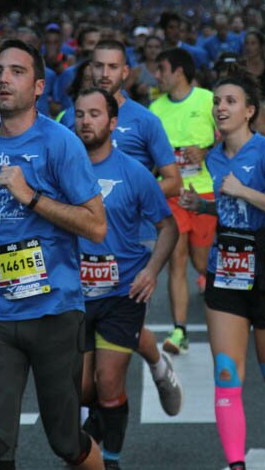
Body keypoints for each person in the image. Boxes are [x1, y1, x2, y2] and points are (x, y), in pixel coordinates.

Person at [0, 39, 106, 470]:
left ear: (39, 86)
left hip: (54, 311)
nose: (4, 78)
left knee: (65, 441)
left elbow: (96, 226)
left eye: (17, 71)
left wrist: (31, 196)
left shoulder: (61, 143)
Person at [178, 73, 265, 470]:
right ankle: (236, 465)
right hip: (226, 266)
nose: (220, 108)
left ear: (250, 111)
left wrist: (242, 191)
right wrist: (202, 206)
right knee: (226, 373)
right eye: (217, 101)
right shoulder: (214, 154)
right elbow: (228, 208)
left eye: (230, 102)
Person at [73, 88, 178, 469]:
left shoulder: (134, 173)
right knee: (83, 388)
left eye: (95, 114)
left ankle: (111, 459)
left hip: (123, 291)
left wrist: (151, 271)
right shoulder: (62, 168)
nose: (86, 121)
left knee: (109, 382)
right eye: (80, 114)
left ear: (113, 123)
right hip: (76, 295)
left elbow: (168, 227)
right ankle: (98, 427)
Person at [87, 40, 184, 416]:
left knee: (113, 334)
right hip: (84, 240)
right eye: (98, 66)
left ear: (125, 72)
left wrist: (126, 194)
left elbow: (173, 181)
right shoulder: (74, 118)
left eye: (112, 67)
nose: (104, 74)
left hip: (134, 238)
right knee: (98, 335)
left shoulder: (145, 121)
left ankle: (157, 370)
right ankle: (154, 360)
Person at [150, 48, 217, 355]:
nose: (157, 75)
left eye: (162, 69)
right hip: (172, 195)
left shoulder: (207, 99)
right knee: (175, 262)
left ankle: (237, 303)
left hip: (204, 192)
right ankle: (179, 331)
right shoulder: (156, 108)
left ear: (179, 71)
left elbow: (231, 135)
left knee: (201, 263)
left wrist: (205, 152)